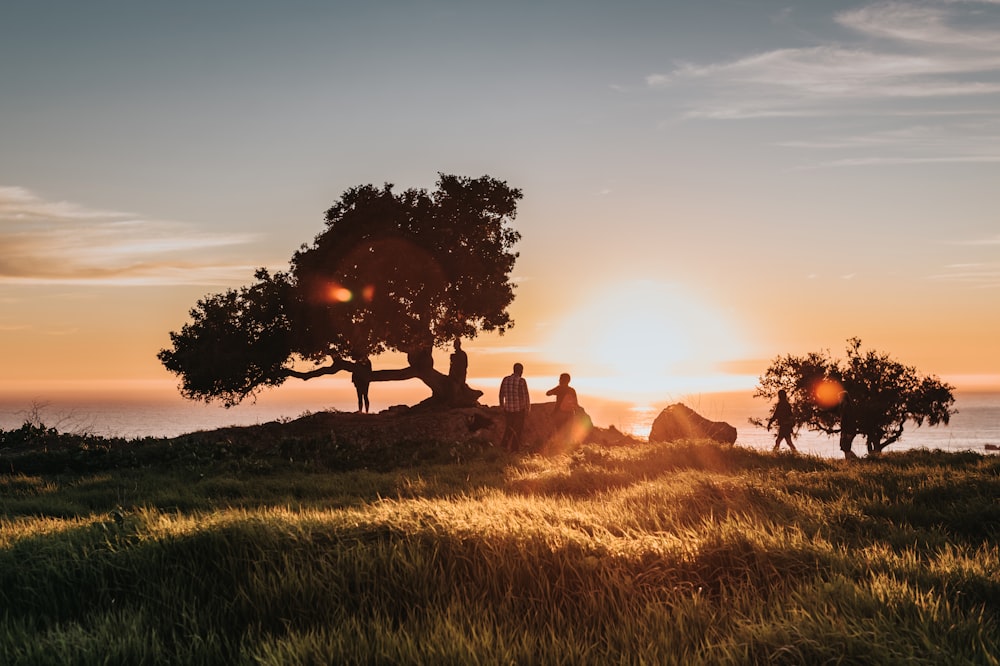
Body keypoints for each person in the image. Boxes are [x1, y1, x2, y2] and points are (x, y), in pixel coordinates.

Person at [499, 362, 530, 452]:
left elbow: (501, 394)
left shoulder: (505, 379)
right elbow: (525, 396)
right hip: (519, 409)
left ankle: (503, 447)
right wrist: (527, 408)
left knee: (508, 428)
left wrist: (502, 406)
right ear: (521, 371)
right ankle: (514, 449)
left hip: (508, 409)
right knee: (518, 430)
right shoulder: (521, 381)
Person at [838, 390, 859, 460]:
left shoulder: (848, 408)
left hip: (849, 431)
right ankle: (856, 459)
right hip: (845, 430)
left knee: (846, 447)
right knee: (844, 446)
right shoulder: (843, 407)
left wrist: (848, 432)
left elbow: (850, 421)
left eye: (839, 397)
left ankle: (849, 461)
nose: (838, 399)